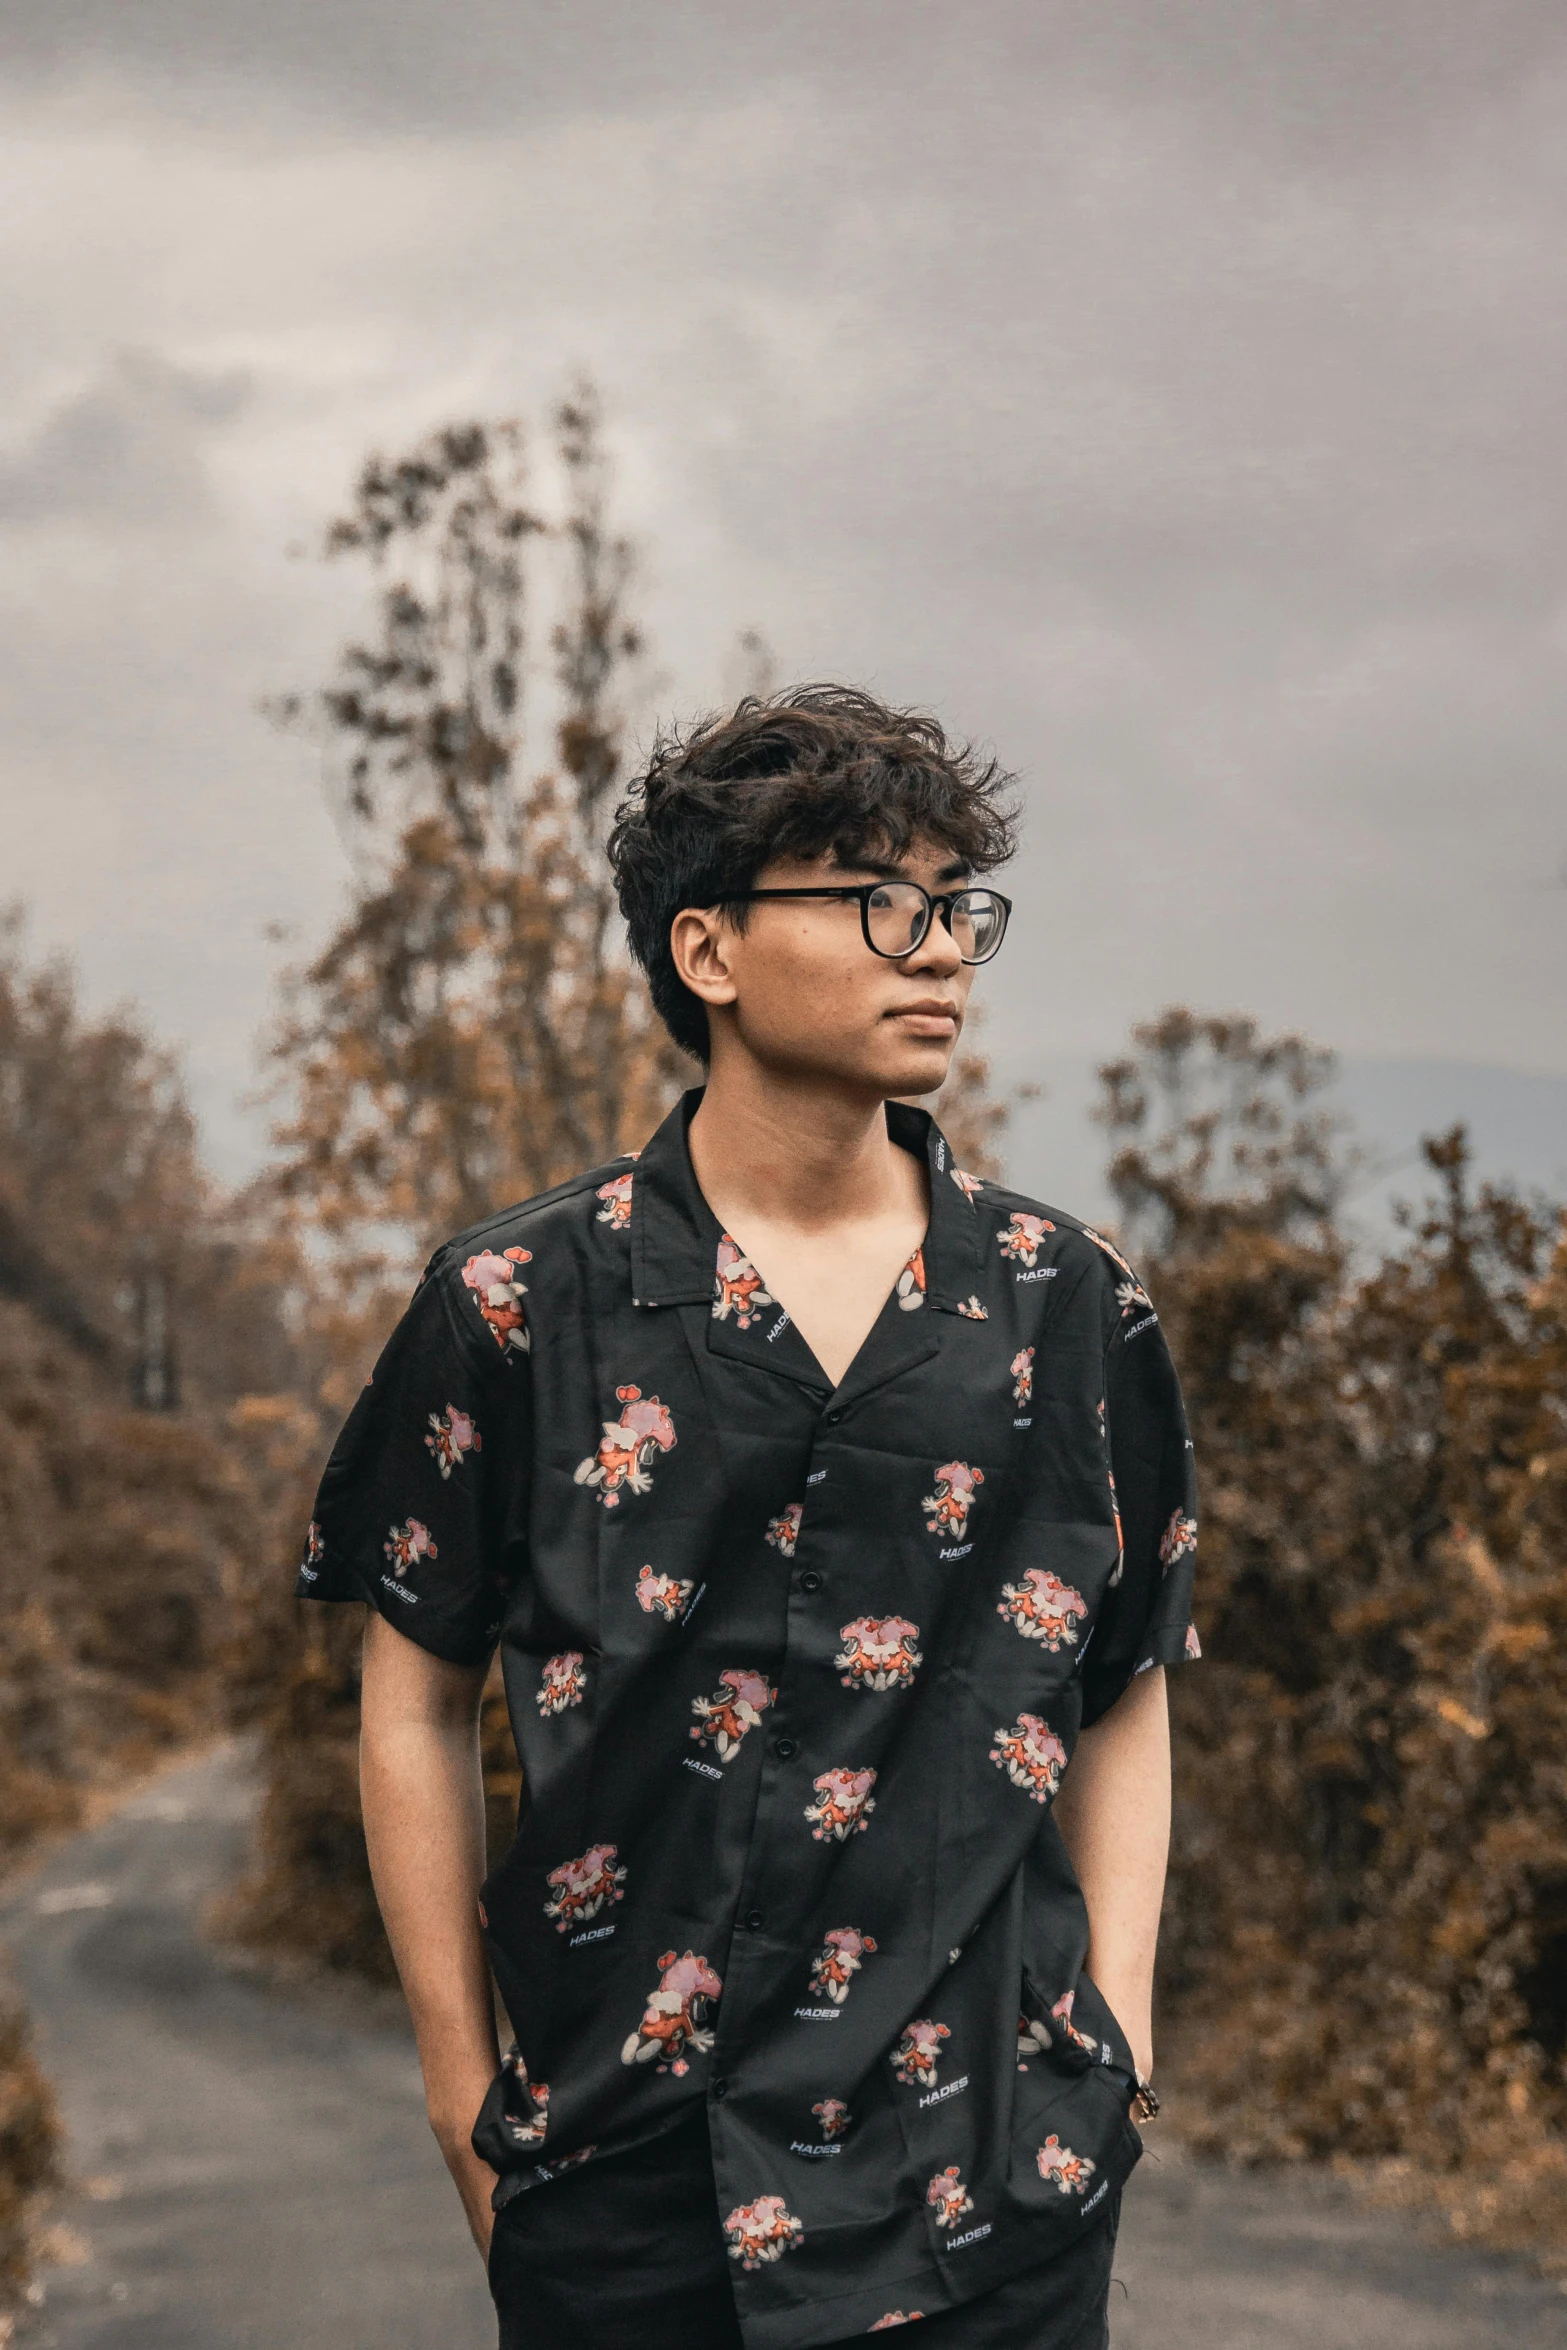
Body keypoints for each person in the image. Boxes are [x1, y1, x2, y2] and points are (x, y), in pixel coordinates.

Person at [298, 685, 1201, 2349]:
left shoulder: (1064, 1304)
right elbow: (412, 1698)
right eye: (873, 896)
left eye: (953, 906)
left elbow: (1125, 1671)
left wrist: (1116, 2041)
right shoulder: (513, 1304)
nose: (933, 946)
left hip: (989, 2173)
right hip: (632, 2170)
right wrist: (459, 2095)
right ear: (705, 950)